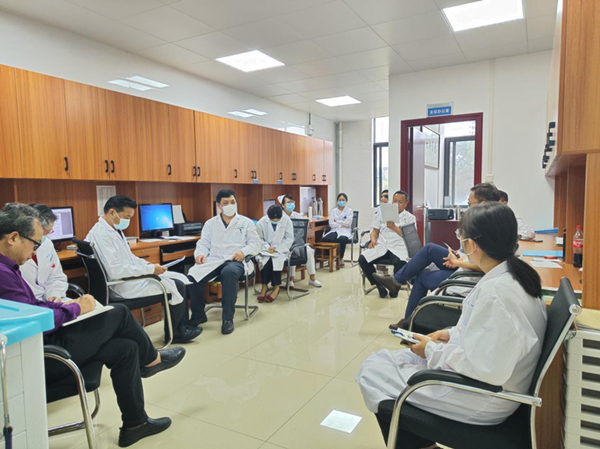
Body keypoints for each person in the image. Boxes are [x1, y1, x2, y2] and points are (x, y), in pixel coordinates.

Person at [357, 202, 547, 449]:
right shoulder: (514, 276)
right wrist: (448, 334)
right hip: (493, 382)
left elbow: (484, 369)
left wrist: (430, 351)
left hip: (483, 397)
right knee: (387, 361)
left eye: (461, 237)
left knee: (373, 372)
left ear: (471, 245)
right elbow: (485, 334)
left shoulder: (496, 294)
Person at [0, 203, 186, 447]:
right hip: (39, 357)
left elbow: (34, 305)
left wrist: (65, 305)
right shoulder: (3, 274)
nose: (37, 249)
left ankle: (135, 424)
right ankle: (151, 359)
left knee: (126, 348)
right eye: (35, 244)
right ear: (13, 238)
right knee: (119, 312)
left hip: (42, 342)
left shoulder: (9, 268)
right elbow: (35, 321)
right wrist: (76, 309)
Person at [376, 183, 501, 330]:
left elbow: (489, 265)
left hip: (468, 276)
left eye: (469, 204)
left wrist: (458, 262)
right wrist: (458, 256)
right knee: (430, 249)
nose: (468, 208)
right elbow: (475, 256)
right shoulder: (489, 222)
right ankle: (397, 284)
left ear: (483, 204)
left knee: (422, 277)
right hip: (464, 265)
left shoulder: (489, 230)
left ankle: (408, 321)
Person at [86, 195, 200, 344]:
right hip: (122, 286)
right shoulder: (102, 235)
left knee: (175, 279)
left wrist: (149, 266)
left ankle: (180, 329)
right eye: (127, 217)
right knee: (178, 285)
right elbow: (115, 270)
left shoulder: (112, 229)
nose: (128, 221)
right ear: (112, 212)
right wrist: (150, 270)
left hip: (126, 280)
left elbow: (130, 258)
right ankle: (178, 334)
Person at [187, 189, 261, 335]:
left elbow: (256, 244)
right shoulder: (210, 223)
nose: (230, 205)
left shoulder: (245, 222)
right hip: (214, 260)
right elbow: (203, 243)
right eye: (225, 203)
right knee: (193, 274)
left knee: (229, 272)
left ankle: (227, 319)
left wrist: (243, 252)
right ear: (219, 205)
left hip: (236, 260)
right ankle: (198, 315)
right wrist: (200, 254)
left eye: (232, 202)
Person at [359, 191, 416, 298]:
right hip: (382, 246)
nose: (397, 204)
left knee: (401, 262)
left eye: (400, 202)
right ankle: (379, 285)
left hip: (399, 248)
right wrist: (373, 240)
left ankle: (394, 289)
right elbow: (374, 231)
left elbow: (410, 237)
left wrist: (394, 227)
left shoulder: (410, 217)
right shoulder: (381, 214)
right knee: (363, 259)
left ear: (406, 203)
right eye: (394, 201)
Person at [20, 204, 69, 302]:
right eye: (44, 231)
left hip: (50, 300)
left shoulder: (47, 243)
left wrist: (54, 295)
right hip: (27, 303)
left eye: (49, 232)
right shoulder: (16, 251)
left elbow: (57, 276)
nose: (45, 236)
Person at [279, 194, 322, 288]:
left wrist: (294, 240)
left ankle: (312, 278)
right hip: (283, 244)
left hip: (297, 242)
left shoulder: (297, 215)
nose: (291, 204)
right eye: (288, 202)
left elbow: (301, 231)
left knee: (309, 251)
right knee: (290, 253)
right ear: (283, 205)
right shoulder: (279, 216)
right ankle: (290, 279)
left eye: (292, 202)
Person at [255, 205, 293, 303]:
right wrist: (267, 247)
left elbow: (289, 238)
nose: (275, 222)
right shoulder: (261, 222)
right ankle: (264, 286)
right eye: (273, 221)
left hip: (281, 250)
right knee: (265, 260)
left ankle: (276, 288)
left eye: (277, 220)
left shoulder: (287, 221)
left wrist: (277, 249)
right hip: (266, 249)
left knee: (275, 261)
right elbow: (258, 238)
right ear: (268, 216)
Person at [322, 193, 353, 267]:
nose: (341, 201)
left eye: (343, 200)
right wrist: (341, 224)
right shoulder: (333, 211)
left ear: (346, 201)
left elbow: (348, 223)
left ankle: (340, 258)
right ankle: (329, 258)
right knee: (326, 239)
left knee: (342, 239)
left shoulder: (349, 210)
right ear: (337, 201)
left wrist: (337, 221)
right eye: (340, 200)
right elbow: (331, 223)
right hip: (335, 229)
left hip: (345, 231)